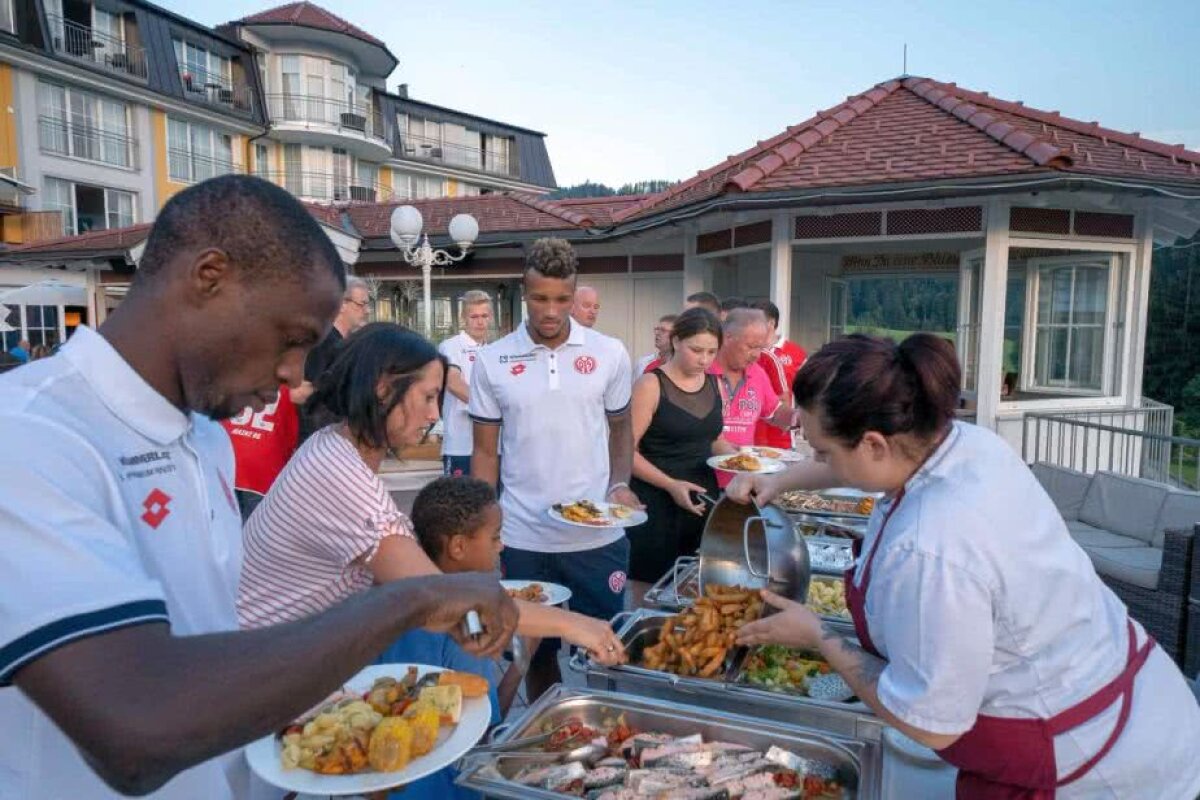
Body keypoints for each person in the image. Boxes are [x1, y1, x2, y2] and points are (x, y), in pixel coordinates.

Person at [0, 175, 517, 799]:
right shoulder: (27, 435)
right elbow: (136, 732)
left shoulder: (207, 437)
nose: (295, 374)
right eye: (292, 339)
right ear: (209, 276)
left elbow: (214, 635)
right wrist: (409, 601)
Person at [730, 333, 1200, 800]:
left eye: (821, 450)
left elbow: (928, 724)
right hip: (1136, 693)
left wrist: (820, 637)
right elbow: (859, 463)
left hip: (1088, 762)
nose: (818, 459)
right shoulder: (965, 444)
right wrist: (779, 480)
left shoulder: (931, 546)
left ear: (874, 443)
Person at [237, 323, 624, 657]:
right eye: (426, 397)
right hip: (264, 665)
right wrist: (573, 624)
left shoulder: (331, 445)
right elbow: (434, 597)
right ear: (384, 389)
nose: (434, 414)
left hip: (287, 653)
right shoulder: (336, 472)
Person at [471, 237, 640, 700]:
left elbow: (620, 429)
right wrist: (486, 528)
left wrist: (620, 483)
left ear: (575, 295)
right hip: (525, 535)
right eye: (540, 298)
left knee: (605, 644)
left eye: (562, 299)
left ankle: (604, 727)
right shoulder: (492, 360)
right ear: (524, 293)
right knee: (536, 653)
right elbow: (485, 453)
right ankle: (553, 730)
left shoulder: (609, 353)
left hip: (596, 537)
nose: (551, 310)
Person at [374, 476, 521, 800]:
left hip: (385, 778)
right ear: (457, 547)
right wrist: (521, 665)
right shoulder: (466, 624)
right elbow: (483, 735)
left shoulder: (393, 599)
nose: (502, 545)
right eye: (495, 538)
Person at [626, 308, 732, 607]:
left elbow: (712, 439)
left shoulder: (714, 383)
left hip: (702, 499)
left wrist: (746, 458)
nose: (704, 359)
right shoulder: (650, 385)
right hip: (657, 499)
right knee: (649, 592)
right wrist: (671, 485)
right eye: (696, 350)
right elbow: (624, 453)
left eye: (712, 352)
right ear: (675, 342)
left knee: (695, 589)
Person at [710, 309, 794, 485]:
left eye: (760, 347)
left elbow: (774, 412)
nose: (757, 355)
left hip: (742, 481)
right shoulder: (702, 370)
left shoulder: (757, 373)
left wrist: (801, 417)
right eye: (751, 346)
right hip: (702, 481)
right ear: (727, 337)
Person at [220, 382, 311, 521]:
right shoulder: (292, 386)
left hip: (226, 462)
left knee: (224, 528)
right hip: (263, 470)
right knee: (254, 532)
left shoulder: (236, 377)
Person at [298, 275, 371, 443]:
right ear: (341, 304)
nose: (367, 311)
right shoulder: (323, 343)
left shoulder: (342, 343)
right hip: (319, 438)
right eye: (362, 304)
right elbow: (312, 392)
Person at [439, 290, 493, 477]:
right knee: (458, 504)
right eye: (474, 316)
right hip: (460, 446)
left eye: (484, 316)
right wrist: (488, 407)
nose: (480, 321)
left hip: (491, 447)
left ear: (491, 317)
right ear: (464, 318)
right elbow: (453, 383)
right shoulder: (451, 346)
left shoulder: (494, 351)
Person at [751, 300, 802, 451]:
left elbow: (811, 392)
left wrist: (802, 418)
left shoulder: (796, 353)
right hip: (750, 438)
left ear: (771, 323)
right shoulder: (747, 355)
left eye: (755, 322)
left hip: (781, 440)